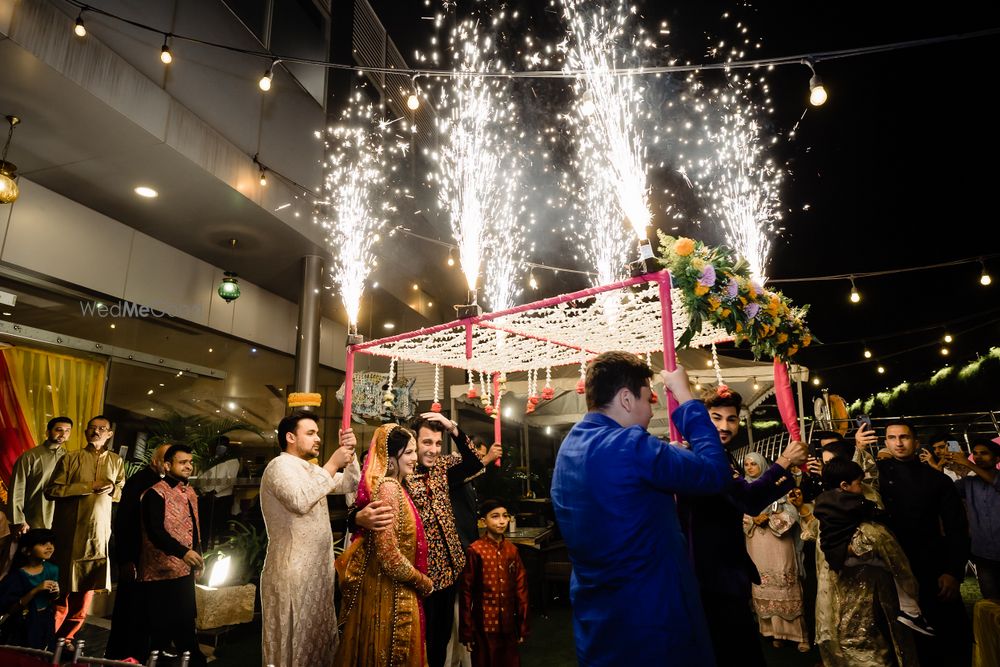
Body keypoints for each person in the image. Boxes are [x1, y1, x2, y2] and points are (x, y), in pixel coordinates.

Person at [550, 352, 731, 666]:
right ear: (625, 398)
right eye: (649, 398)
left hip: (598, 621)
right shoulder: (633, 447)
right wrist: (686, 397)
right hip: (652, 620)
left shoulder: (568, 448)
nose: (654, 407)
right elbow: (716, 473)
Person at [677, 385, 807, 667]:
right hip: (711, 573)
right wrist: (784, 461)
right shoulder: (702, 458)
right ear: (703, 420)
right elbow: (745, 498)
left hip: (721, 569)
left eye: (731, 419)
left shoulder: (720, 455)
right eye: (716, 418)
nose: (724, 426)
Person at [867, 419, 972, 664]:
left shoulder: (938, 480)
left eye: (903, 437)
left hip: (931, 564)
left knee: (943, 636)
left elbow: (957, 528)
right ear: (885, 442)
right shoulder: (876, 478)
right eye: (892, 438)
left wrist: (953, 571)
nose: (898, 443)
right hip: (889, 566)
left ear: (915, 442)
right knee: (895, 635)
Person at [259, 412, 360, 667]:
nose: (317, 438)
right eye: (310, 433)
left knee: (316, 640)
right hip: (292, 571)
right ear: (290, 437)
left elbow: (351, 484)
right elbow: (300, 501)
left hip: (317, 571)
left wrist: (350, 452)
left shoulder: (311, 469)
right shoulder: (278, 467)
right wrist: (332, 464)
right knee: (293, 641)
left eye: (317, 433)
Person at [808, 438, 920, 667]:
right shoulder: (830, 499)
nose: (826, 469)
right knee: (845, 632)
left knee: (870, 635)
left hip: (869, 583)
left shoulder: (862, 497)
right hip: (837, 578)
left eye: (831, 463)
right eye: (825, 463)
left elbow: (872, 537)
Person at [335, 425, 434, 666]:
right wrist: (423, 582)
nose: (414, 458)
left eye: (413, 452)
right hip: (391, 593)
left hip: (393, 588)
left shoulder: (399, 487)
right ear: (390, 459)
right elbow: (389, 555)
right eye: (408, 453)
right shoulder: (389, 489)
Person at [402, 412, 487, 667]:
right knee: (419, 640)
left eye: (438, 443)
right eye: (427, 443)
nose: (433, 450)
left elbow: (475, 463)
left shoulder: (443, 468)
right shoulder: (403, 472)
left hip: (449, 571)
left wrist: (452, 428)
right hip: (420, 575)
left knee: (440, 640)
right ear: (414, 442)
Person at [813, 458, 933, 634]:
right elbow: (875, 513)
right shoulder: (849, 502)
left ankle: (910, 610)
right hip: (848, 556)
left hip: (837, 556)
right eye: (859, 483)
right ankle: (910, 610)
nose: (862, 487)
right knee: (896, 565)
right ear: (844, 485)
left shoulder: (825, 499)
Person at [44, 415, 124, 640]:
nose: (96, 431)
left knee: (86, 591)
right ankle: (46, 639)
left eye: (102, 428)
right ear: (86, 432)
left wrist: (111, 489)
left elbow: (120, 493)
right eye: (92, 428)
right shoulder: (71, 458)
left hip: (98, 534)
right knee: (62, 590)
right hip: (69, 532)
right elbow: (52, 491)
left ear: (109, 434)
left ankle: (67, 639)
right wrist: (88, 486)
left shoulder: (116, 461)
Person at [138, 444, 205, 666]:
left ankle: (193, 660)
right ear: (167, 465)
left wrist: (198, 555)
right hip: (159, 572)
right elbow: (155, 532)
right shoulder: (154, 493)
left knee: (186, 622)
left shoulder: (191, 491)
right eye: (182, 462)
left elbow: (194, 527)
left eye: (190, 462)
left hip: (184, 570)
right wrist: (183, 552)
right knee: (158, 629)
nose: (188, 466)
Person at [105, 443, 170, 661]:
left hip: (155, 562)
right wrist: (125, 560)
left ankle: (146, 654)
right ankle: (123, 657)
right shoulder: (139, 483)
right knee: (130, 612)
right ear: (156, 461)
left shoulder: (167, 484)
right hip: (136, 558)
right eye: (166, 459)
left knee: (150, 611)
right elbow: (124, 523)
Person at [741, 452, 810, 652]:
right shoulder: (744, 490)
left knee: (785, 582)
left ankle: (799, 635)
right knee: (762, 584)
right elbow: (737, 514)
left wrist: (770, 520)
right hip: (756, 543)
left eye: (754, 463)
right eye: (746, 464)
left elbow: (792, 512)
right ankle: (774, 632)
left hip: (779, 542)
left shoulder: (777, 487)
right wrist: (752, 519)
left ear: (763, 465)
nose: (750, 467)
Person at [448, 436, 501, 667]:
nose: (478, 463)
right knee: (455, 609)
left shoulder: (469, 482)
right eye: (475, 457)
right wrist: (488, 459)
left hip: (467, 545)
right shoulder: (454, 475)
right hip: (456, 549)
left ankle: (466, 654)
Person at [459, 499, 529, 667]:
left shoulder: (512, 550)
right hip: (483, 626)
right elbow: (466, 593)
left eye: (505, 516)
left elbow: (521, 590)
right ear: (483, 521)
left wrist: (522, 624)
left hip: (508, 624)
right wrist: (467, 631)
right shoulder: (475, 550)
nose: (502, 521)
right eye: (495, 516)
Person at [951, 439, 1000, 599]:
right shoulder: (969, 482)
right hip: (982, 552)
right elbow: (945, 490)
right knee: (990, 600)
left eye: (984, 453)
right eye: (975, 453)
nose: (978, 457)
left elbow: (995, 482)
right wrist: (939, 465)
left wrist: (969, 463)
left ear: (997, 458)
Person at [8, 418, 72, 537]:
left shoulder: (70, 457)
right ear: (48, 432)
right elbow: (17, 489)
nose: (63, 434)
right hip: (33, 518)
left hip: (61, 519)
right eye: (59, 430)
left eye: (67, 431)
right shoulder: (30, 457)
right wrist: (19, 520)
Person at [0, 528, 59, 649]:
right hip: (23, 622)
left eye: (51, 543)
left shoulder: (52, 569)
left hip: (45, 619)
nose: (49, 547)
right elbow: (11, 609)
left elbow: (52, 599)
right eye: (43, 544)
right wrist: (35, 590)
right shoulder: (17, 576)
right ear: (26, 551)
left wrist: (56, 593)